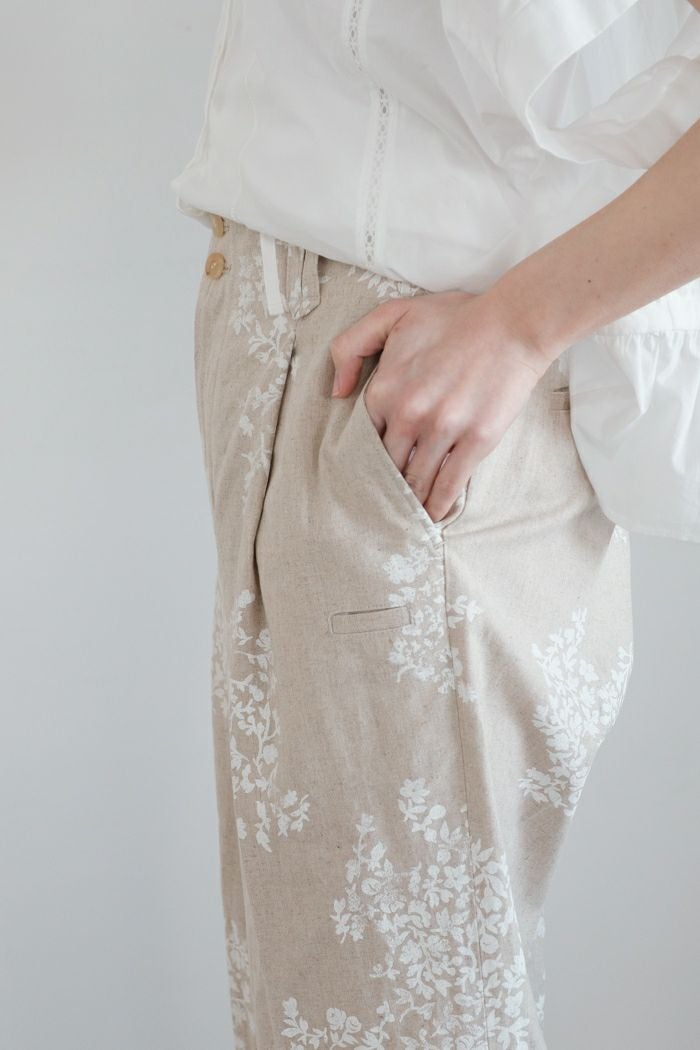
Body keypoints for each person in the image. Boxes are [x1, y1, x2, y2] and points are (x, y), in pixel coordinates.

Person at [171, 3, 700, 1047]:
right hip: (299, 352)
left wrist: (521, 325)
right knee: (318, 1003)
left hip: (413, 401)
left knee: (395, 1020)